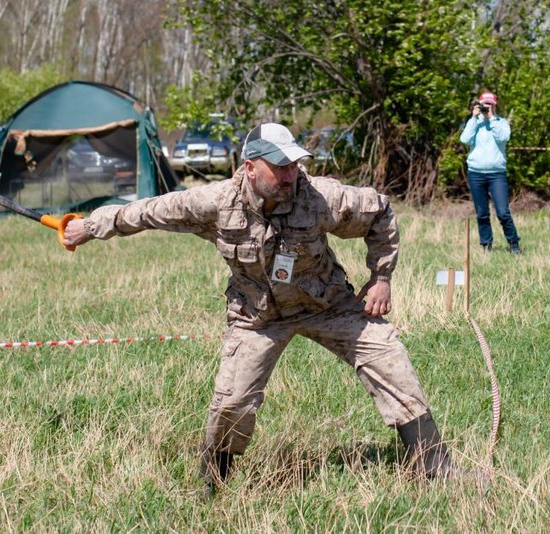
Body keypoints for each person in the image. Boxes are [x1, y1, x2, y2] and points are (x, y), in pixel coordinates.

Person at [64, 123, 460, 495]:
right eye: (280, 167)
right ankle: (213, 484)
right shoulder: (215, 203)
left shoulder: (319, 197)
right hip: (257, 317)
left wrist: (381, 277)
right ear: (250, 168)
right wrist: (89, 227)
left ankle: (433, 466)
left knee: (389, 357)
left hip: (328, 303)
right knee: (233, 401)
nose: (290, 176)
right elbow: (146, 211)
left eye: (294, 166)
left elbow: (379, 212)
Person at [460, 90, 521, 254]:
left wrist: (491, 119)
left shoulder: (501, 123)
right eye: (484, 104)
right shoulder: (474, 123)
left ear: (494, 105)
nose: (486, 107)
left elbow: (503, 138)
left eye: (490, 104)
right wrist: (474, 118)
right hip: (476, 174)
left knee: (502, 212)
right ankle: (486, 245)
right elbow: (464, 139)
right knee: (482, 213)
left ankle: (514, 244)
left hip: (496, 175)